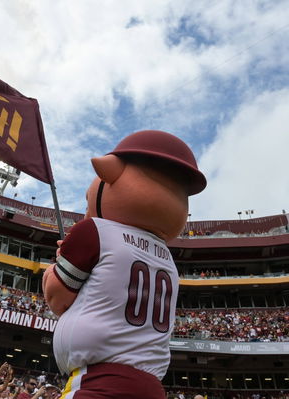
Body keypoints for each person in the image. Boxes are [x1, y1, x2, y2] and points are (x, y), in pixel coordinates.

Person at [43, 130, 207, 399]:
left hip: (100, 382)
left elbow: (57, 299)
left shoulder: (95, 230)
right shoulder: (167, 258)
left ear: (111, 174)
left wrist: (55, 266)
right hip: (152, 387)